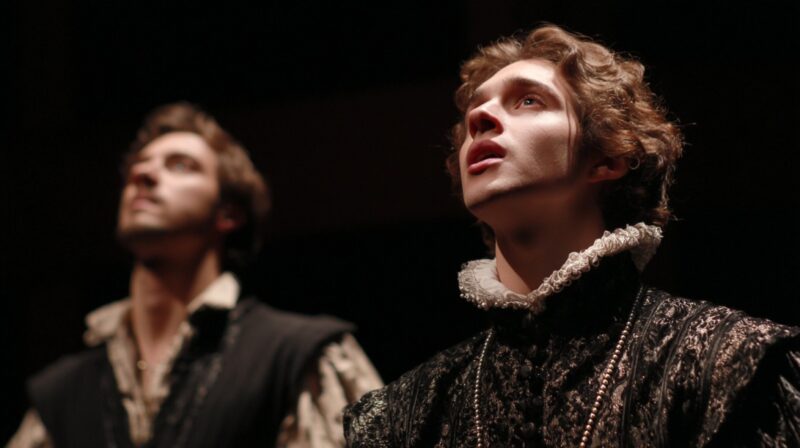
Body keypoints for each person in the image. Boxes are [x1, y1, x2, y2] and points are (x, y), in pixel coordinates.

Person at [344, 25, 800, 447]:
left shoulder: (727, 362)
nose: (480, 116)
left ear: (606, 158)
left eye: (527, 101)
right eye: (473, 110)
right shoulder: (402, 416)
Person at [8, 102, 382, 448]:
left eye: (180, 165)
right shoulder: (62, 393)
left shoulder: (298, 355)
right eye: (140, 164)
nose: (143, 173)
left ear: (228, 214)